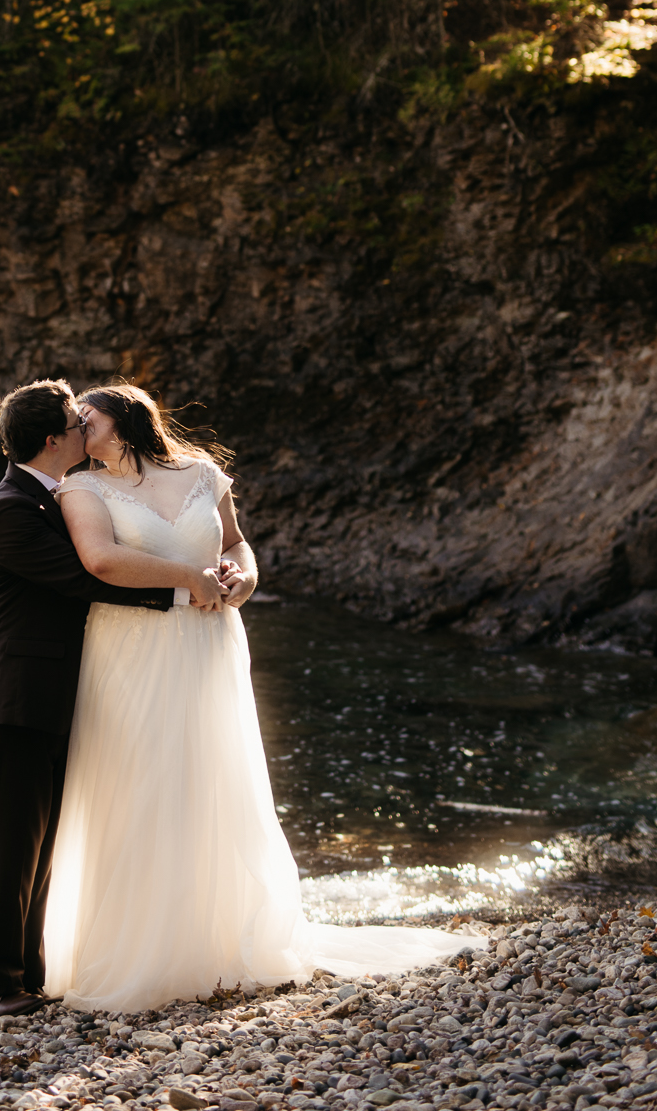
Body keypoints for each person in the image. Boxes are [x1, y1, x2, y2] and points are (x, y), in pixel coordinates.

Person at [42, 382, 478, 1013]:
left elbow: (237, 547)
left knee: (213, 778)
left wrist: (240, 579)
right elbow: (102, 563)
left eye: (88, 416)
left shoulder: (201, 474)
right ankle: (132, 948)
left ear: (126, 420)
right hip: (131, 649)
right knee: (137, 778)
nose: (78, 427)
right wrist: (190, 578)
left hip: (208, 642)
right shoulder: (81, 488)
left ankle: (217, 940)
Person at [0, 378, 227, 1018]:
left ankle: (29, 973)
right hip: (16, 693)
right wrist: (179, 591)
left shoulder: (53, 495)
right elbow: (83, 577)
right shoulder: (12, 508)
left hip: (57, 690)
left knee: (44, 837)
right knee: (9, 844)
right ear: (55, 439)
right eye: (75, 423)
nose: (87, 428)